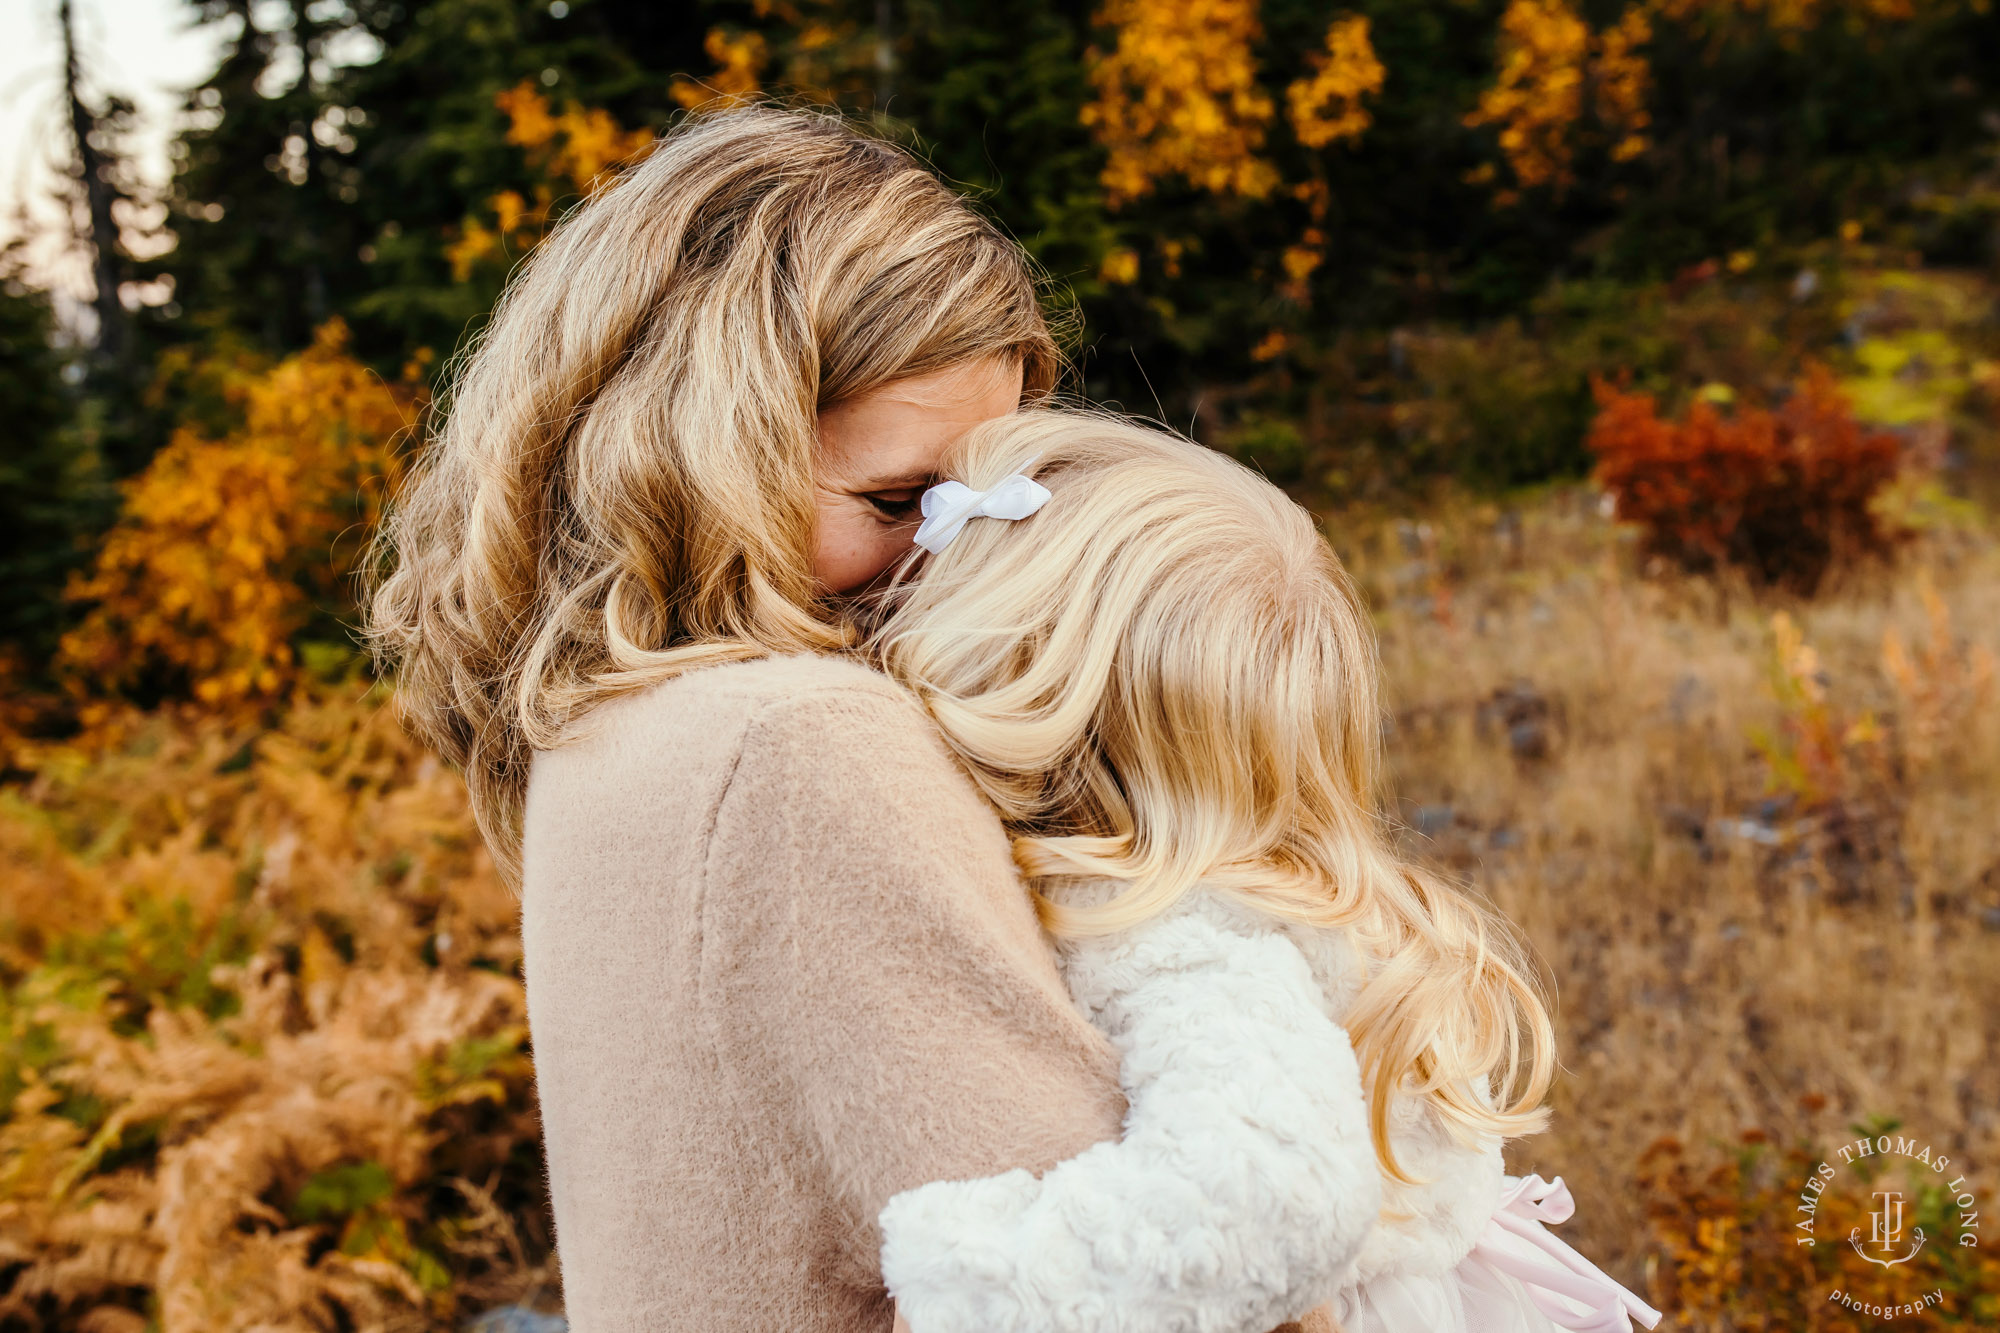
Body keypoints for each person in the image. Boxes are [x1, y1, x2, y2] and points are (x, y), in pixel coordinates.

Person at [364, 104, 1326, 1332]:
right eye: (899, 499)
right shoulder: (803, 746)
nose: (948, 560)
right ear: (700, 452)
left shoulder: (616, 729)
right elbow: (1155, 1287)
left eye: (990, 504)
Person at [857, 410, 1668, 1333]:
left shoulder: (1182, 929)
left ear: (1021, 684)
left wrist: (965, 1273)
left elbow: (1273, 1199)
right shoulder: (1246, 883)